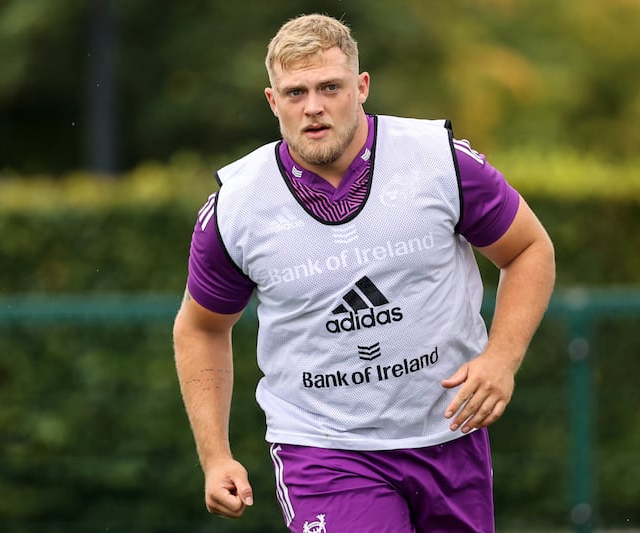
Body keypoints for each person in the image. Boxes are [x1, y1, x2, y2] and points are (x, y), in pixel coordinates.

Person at [173, 13, 555, 533]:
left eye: (330, 87)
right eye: (295, 92)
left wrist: (502, 359)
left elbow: (529, 249)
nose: (313, 107)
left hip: (450, 435)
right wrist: (216, 457)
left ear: (362, 86)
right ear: (272, 101)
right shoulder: (237, 206)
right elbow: (201, 327)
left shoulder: (439, 163)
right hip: (324, 451)